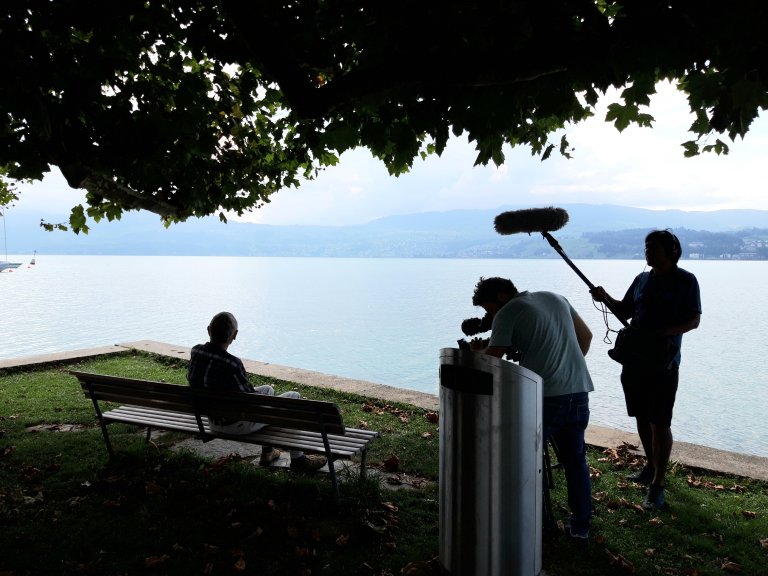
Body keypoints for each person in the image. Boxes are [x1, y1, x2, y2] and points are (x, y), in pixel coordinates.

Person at [468, 276, 594, 539]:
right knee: (575, 460)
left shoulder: (508, 311)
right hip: (579, 389)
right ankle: (581, 526)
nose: (491, 316)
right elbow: (586, 337)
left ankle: (522, 520)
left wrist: (475, 353)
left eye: (490, 309)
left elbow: (492, 361)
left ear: (501, 298)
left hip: (545, 396)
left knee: (522, 457)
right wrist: (562, 367)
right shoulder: (555, 296)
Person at [591, 230, 701, 510]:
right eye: (646, 247)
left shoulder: (686, 281)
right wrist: (604, 297)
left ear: (671, 251)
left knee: (660, 421)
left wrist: (663, 333)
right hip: (634, 358)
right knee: (640, 414)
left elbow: (693, 320)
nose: (647, 252)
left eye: (653, 248)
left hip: (664, 362)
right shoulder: (641, 279)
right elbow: (624, 309)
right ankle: (650, 466)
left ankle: (658, 485)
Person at [187, 311, 327, 472]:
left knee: (267, 389)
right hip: (235, 424)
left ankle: (268, 452)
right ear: (234, 336)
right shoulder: (232, 363)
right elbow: (250, 402)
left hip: (211, 421)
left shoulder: (196, 351)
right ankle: (299, 460)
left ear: (208, 330)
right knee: (293, 398)